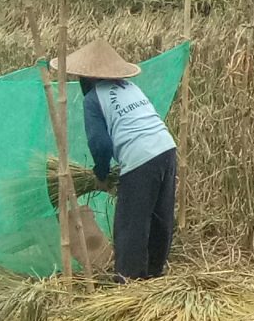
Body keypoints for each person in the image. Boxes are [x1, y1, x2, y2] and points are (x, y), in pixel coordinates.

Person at [56, 41, 178, 280]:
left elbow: (99, 144)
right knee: (159, 215)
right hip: (166, 147)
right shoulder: (130, 87)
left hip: (140, 157)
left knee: (131, 221)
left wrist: (100, 173)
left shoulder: (93, 98)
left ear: (87, 77)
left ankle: (128, 280)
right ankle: (154, 272)